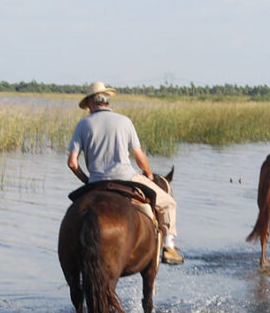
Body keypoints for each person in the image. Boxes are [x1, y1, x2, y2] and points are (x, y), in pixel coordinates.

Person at [67, 81, 184, 264]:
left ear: (90, 102)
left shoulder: (82, 125)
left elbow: (72, 163)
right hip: (126, 178)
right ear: (106, 100)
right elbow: (139, 157)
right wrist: (150, 175)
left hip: (96, 181)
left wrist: (88, 181)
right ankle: (169, 247)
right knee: (169, 203)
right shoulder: (124, 121)